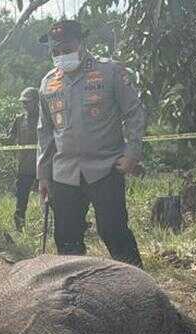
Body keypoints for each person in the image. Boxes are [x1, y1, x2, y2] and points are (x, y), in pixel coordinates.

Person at [36, 20, 146, 267]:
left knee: (114, 232)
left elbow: (135, 112)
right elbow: (45, 132)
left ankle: (135, 284)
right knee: (66, 239)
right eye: (56, 52)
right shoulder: (48, 83)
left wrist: (132, 153)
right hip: (64, 173)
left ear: (81, 44)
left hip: (106, 168)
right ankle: (75, 287)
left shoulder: (110, 72)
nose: (62, 56)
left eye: (67, 49)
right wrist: (43, 175)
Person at [5, 87, 40, 230]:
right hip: (24, 167)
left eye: (27, 102)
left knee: (51, 200)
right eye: (23, 102)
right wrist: (1, 140)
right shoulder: (19, 120)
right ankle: (19, 229)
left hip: (42, 166)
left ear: (36, 101)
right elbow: (10, 139)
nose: (24, 105)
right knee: (21, 201)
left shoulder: (45, 118)